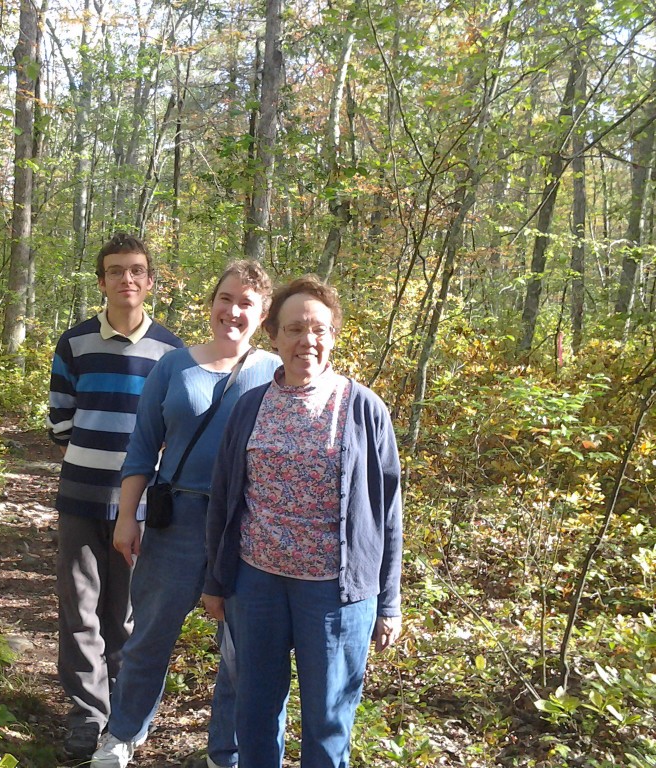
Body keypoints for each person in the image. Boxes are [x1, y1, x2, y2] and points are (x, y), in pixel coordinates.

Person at [202, 276, 403, 768]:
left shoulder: (363, 409)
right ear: (273, 335)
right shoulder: (251, 406)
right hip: (256, 585)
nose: (306, 341)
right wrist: (216, 580)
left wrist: (389, 600)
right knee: (254, 712)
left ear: (333, 336)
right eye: (293, 329)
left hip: (334, 595)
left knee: (328, 721)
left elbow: (388, 511)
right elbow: (226, 497)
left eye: (318, 329)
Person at [91, 261, 280, 768]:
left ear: (262, 316)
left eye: (246, 303)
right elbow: (142, 448)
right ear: (211, 303)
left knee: (241, 649)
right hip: (176, 520)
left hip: (245, 527)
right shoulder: (174, 366)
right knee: (149, 635)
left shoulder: (274, 373)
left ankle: (227, 751)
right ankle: (123, 734)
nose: (232, 311)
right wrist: (128, 517)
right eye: (225, 298)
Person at [47, 232, 184, 761]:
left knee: (126, 612)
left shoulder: (172, 351)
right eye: (115, 270)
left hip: (143, 506)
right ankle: (88, 714)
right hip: (80, 496)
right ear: (101, 280)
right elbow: (60, 423)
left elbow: (174, 430)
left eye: (136, 270)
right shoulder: (75, 342)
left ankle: (124, 716)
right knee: (78, 607)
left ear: (150, 281)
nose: (126, 279)